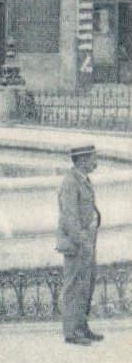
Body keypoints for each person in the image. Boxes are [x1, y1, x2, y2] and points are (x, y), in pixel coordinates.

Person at [57, 144, 103, 344]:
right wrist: (83, 241)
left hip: (87, 242)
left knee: (86, 285)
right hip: (77, 244)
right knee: (74, 286)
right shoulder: (70, 182)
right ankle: (72, 332)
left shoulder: (83, 180)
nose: (96, 161)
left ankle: (82, 327)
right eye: (93, 158)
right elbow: (69, 218)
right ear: (82, 160)